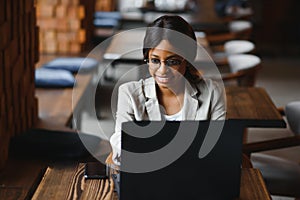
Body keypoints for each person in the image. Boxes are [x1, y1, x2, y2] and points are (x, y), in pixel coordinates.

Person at [109, 15, 226, 165]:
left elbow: (219, 144)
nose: (162, 70)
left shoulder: (212, 92)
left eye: (173, 62)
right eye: (155, 60)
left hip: (195, 175)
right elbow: (121, 142)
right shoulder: (129, 93)